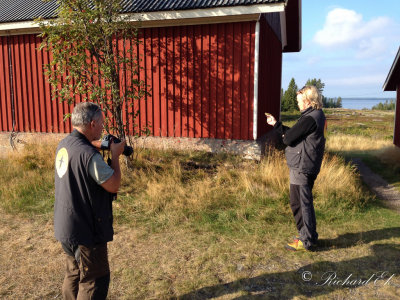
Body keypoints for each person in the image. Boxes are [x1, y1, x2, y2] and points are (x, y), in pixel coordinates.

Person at [54, 102, 126, 299]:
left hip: (66, 227)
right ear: (93, 123)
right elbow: (113, 185)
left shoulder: (65, 144)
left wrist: (102, 143)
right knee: (94, 279)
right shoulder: (90, 156)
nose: (103, 127)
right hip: (87, 231)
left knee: (74, 275)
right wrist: (115, 155)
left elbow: (82, 146)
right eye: (102, 123)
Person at [266, 85, 326, 251]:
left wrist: (280, 128)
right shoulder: (315, 115)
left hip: (302, 166)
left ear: (308, 101)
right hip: (306, 165)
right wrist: (276, 124)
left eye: (299, 101)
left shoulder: (310, 118)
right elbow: (294, 133)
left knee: (300, 203)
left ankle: (306, 240)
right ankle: (308, 236)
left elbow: (288, 138)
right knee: (300, 202)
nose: (298, 104)